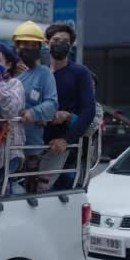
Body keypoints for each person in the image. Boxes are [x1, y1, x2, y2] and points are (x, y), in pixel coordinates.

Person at [39, 23, 95, 191]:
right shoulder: (41, 73)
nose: (60, 43)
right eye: (56, 40)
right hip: (37, 144)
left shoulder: (80, 73)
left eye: (65, 41)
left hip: (66, 149)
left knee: (59, 194)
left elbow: (88, 111)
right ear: (47, 43)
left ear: (70, 46)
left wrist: (66, 139)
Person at [12, 21, 58, 193]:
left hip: (31, 147)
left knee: (28, 193)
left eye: (33, 45)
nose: (29, 48)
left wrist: (33, 112)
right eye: (24, 44)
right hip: (6, 144)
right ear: (16, 46)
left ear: (40, 48)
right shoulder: (7, 73)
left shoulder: (44, 73)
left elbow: (52, 104)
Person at [0, 44, 26, 194]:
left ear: (8, 64)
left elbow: (11, 111)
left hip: (9, 149)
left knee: (2, 188)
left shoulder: (15, 84)